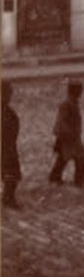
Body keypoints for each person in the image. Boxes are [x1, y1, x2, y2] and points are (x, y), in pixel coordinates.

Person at [49, 79, 84, 186]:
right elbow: (62, 121)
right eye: (79, 90)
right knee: (80, 157)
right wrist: (69, 134)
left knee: (64, 158)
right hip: (69, 137)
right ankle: (79, 181)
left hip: (69, 137)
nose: (81, 92)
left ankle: (55, 178)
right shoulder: (67, 105)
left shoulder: (71, 103)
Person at [2, 81, 20, 209]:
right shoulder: (6, 112)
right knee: (11, 172)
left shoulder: (8, 111)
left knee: (12, 173)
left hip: (9, 146)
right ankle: (8, 199)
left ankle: (8, 197)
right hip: (6, 147)